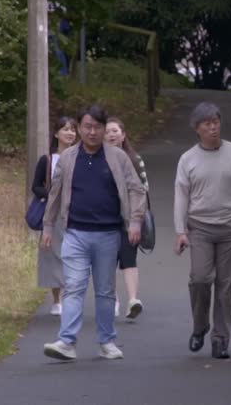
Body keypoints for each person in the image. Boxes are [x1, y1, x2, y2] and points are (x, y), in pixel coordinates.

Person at [41, 104, 147, 361]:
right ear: (79, 128)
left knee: (105, 291)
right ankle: (67, 342)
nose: (92, 132)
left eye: (97, 127)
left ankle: (106, 341)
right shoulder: (68, 158)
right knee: (73, 287)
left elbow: (136, 189)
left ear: (103, 128)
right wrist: (48, 226)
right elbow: (55, 193)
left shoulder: (118, 157)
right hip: (75, 233)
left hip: (108, 235)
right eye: (87, 127)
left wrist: (135, 221)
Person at [174, 102, 231, 359]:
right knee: (199, 279)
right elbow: (181, 195)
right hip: (200, 227)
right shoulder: (187, 159)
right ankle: (200, 326)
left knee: (225, 285)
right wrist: (180, 230)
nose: (213, 127)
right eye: (207, 124)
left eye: (216, 122)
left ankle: (221, 339)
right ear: (197, 128)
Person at [32, 116, 77, 316]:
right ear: (57, 133)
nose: (70, 133)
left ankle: (70, 296)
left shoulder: (81, 157)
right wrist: (51, 195)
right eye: (65, 129)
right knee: (52, 255)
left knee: (73, 255)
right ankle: (57, 300)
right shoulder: (48, 160)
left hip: (76, 213)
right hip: (53, 215)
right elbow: (36, 186)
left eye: (73, 129)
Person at [105, 117, 149, 319]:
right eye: (107, 132)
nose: (111, 135)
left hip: (129, 219)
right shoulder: (98, 159)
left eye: (115, 131)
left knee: (129, 258)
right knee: (107, 261)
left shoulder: (135, 159)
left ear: (123, 135)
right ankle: (113, 300)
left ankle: (132, 300)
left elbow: (143, 190)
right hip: (104, 218)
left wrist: (137, 220)